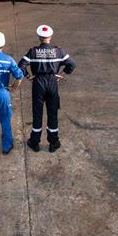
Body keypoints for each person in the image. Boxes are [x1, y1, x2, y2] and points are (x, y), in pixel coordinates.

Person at [18, 24, 75, 153]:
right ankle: (53, 142)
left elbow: (21, 66)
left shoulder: (33, 52)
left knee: (37, 113)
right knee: (52, 113)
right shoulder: (59, 51)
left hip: (38, 83)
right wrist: (62, 73)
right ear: (50, 36)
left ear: (39, 37)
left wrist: (28, 76)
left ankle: (34, 142)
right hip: (52, 83)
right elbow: (72, 64)